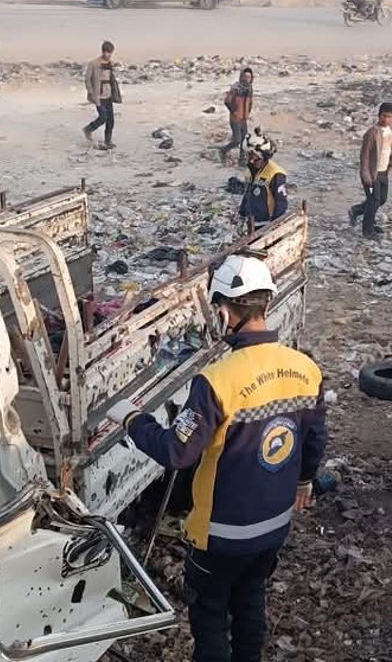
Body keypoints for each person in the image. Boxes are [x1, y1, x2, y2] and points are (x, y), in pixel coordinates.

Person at [109, 255, 327, 662]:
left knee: (210, 617)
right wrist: (304, 480)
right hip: (274, 526)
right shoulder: (305, 369)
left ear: (224, 312)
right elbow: (314, 438)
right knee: (250, 602)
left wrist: (132, 420)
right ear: (266, 303)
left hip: (220, 535)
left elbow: (176, 451)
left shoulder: (216, 381)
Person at [349, 102, 392, 240]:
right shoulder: (372, 133)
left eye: (389, 117)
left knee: (382, 199)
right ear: (379, 115)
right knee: (373, 200)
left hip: (383, 173)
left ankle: (356, 210)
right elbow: (364, 156)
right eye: (383, 116)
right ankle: (367, 230)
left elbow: (390, 150)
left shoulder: (391, 132)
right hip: (371, 175)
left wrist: (391, 165)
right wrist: (366, 176)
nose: (386, 119)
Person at [239, 129, 288, 232]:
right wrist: (242, 214)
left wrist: (274, 225)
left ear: (264, 157)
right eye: (249, 156)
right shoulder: (251, 170)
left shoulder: (275, 174)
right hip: (252, 222)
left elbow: (281, 203)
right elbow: (247, 194)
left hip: (266, 224)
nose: (251, 161)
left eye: (255, 158)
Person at [83, 40, 119, 150]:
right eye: (107, 52)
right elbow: (87, 79)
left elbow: (111, 79)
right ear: (103, 52)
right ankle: (88, 129)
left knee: (110, 120)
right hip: (98, 96)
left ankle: (108, 141)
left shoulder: (110, 64)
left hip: (108, 95)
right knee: (103, 117)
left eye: (110, 53)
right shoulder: (93, 64)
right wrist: (91, 92)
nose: (109, 55)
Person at [220, 68, 255, 165]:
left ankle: (242, 160)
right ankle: (223, 150)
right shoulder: (235, 88)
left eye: (249, 77)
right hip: (235, 119)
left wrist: (248, 113)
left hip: (244, 119)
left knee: (244, 141)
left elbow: (250, 102)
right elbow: (227, 101)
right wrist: (234, 111)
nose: (247, 79)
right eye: (245, 77)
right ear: (242, 77)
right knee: (237, 140)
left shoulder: (250, 89)